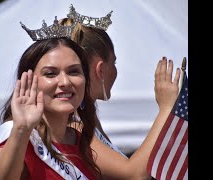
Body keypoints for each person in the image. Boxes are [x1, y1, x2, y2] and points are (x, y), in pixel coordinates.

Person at [58, 4, 181, 179]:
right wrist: (166, 108)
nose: (115, 71)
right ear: (100, 69)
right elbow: (134, 174)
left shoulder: (85, 117)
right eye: (113, 63)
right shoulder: (73, 124)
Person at [0, 17, 101, 179]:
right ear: (28, 82)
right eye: (50, 73)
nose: (65, 82)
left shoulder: (80, 141)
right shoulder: (19, 137)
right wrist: (22, 129)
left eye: (74, 71)